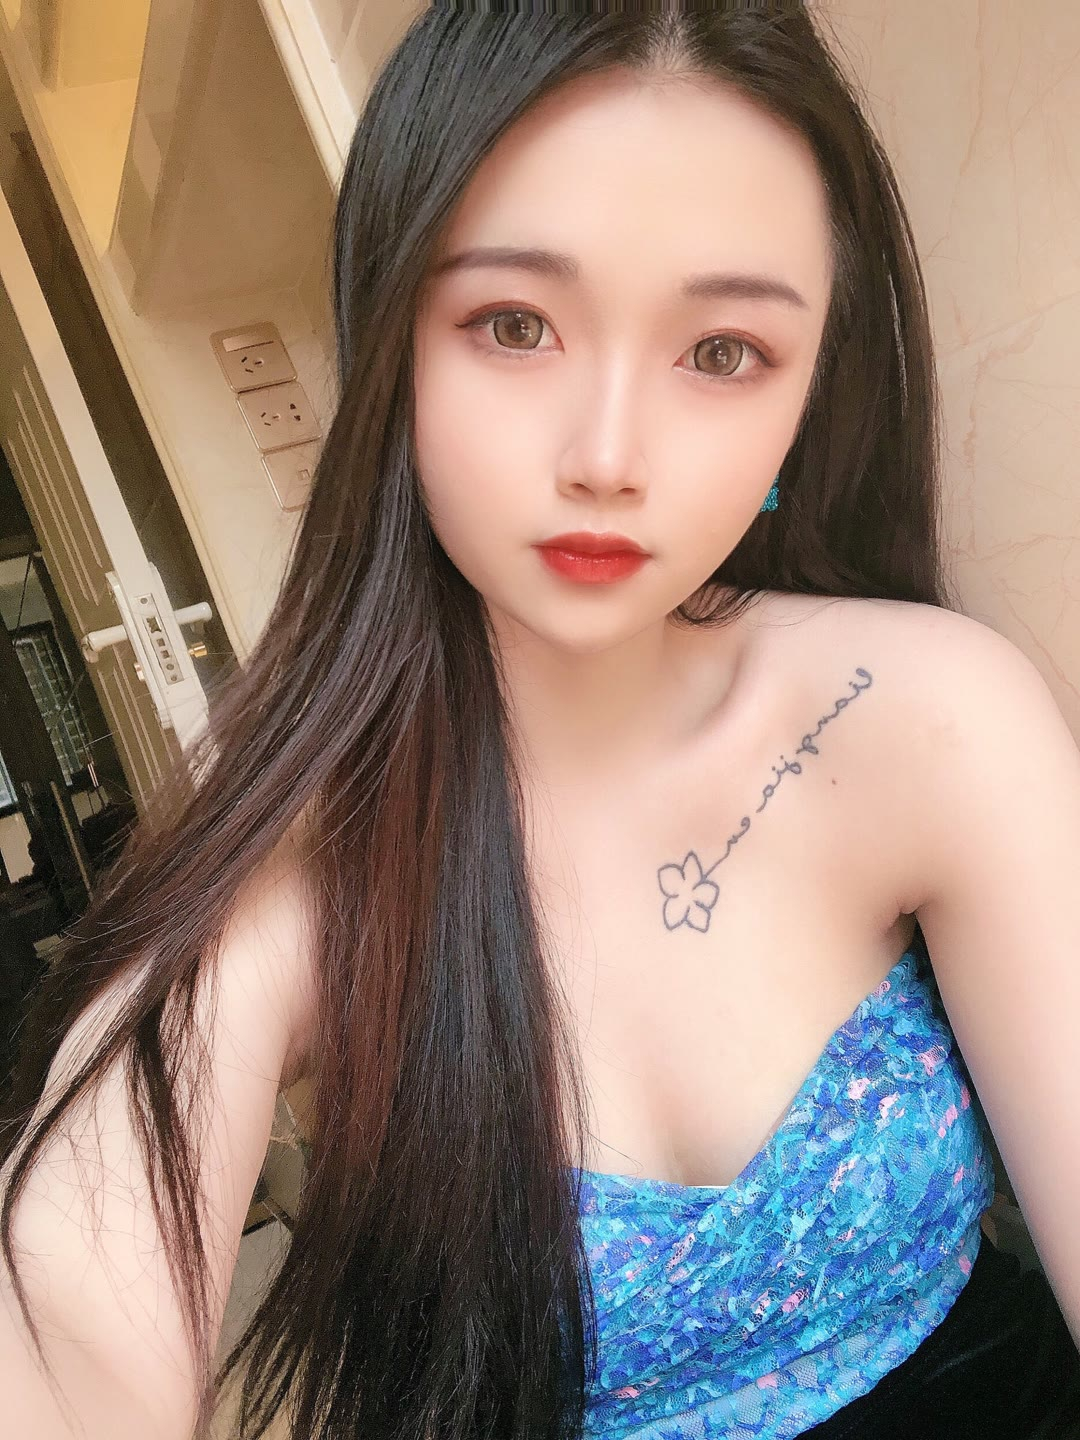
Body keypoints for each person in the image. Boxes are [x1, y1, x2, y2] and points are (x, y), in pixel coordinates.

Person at [2, 3, 1079, 1438]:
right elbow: (72, 1325)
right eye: (514, 326)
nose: (608, 457)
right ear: (391, 345)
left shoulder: (920, 715)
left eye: (723, 352)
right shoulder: (315, 853)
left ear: (810, 393)